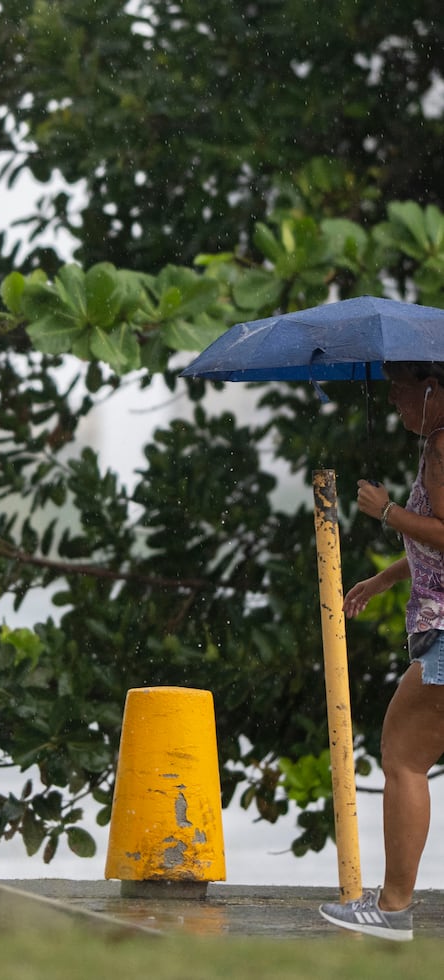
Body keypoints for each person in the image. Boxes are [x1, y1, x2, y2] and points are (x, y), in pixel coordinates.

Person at [319, 361, 444, 941]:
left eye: (400, 387)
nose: (392, 398)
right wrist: (385, 579)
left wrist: (387, 512)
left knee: (403, 758)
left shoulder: (443, 447)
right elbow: (431, 545)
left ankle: (392, 909)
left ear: (432, 388)